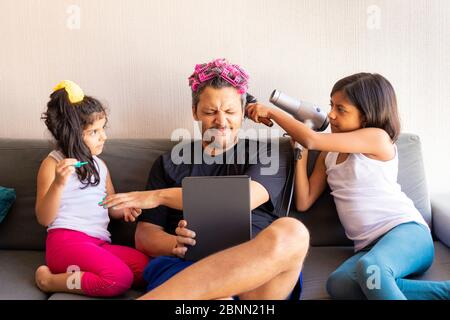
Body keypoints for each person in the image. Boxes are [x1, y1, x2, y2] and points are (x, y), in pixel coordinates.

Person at [101, 59, 310, 300]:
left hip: (255, 267)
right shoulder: (168, 163)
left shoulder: (268, 154)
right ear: (195, 112)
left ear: (243, 113)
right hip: (189, 267)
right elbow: (145, 236)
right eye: (211, 112)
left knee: (294, 232)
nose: (221, 122)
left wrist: (158, 196)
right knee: (219, 299)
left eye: (230, 112)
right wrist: (174, 244)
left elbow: (241, 199)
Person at [246, 72, 450, 300]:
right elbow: (304, 202)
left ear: (366, 115)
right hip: (368, 248)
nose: (331, 115)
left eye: (341, 109)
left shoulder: (377, 138)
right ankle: (443, 292)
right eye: (331, 105)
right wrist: (300, 153)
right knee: (340, 284)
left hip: (407, 233)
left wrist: (273, 112)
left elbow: (313, 139)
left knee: (372, 269)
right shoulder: (328, 154)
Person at [34, 80, 149, 297]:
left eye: (102, 128)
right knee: (119, 278)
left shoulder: (100, 165)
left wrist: (122, 209)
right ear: (73, 134)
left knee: (146, 269)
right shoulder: (53, 164)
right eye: (95, 131)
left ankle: (86, 271)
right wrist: (58, 183)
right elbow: (44, 218)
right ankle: (50, 281)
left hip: (98, 243)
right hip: (66, 242)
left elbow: (109, 204)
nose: (104, 136)